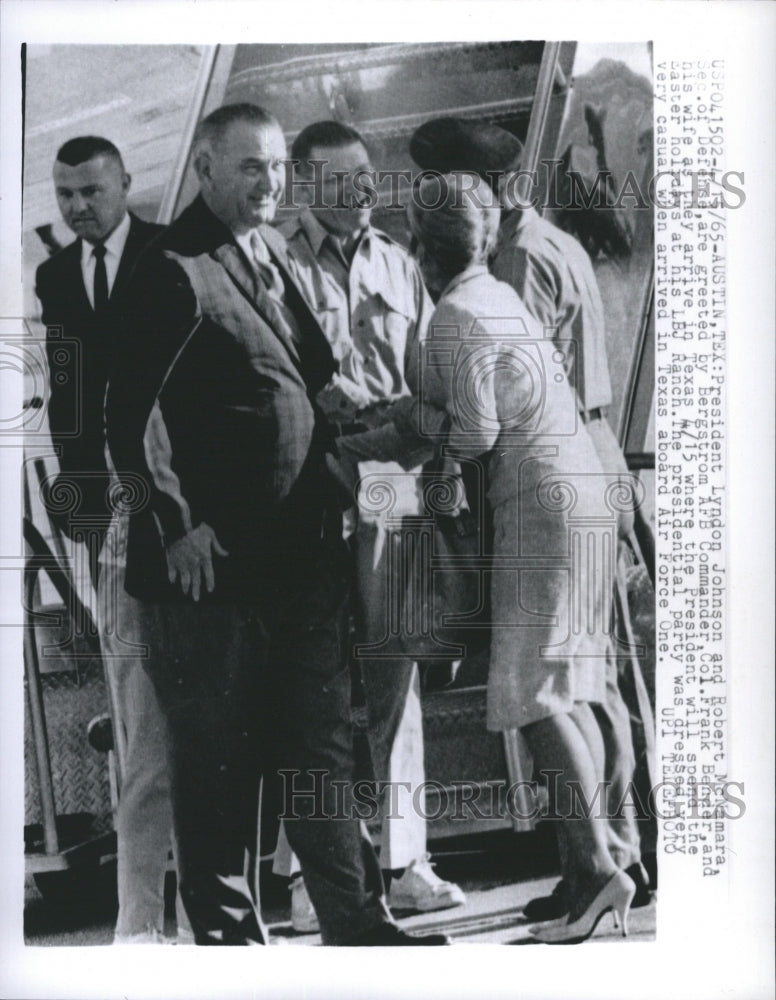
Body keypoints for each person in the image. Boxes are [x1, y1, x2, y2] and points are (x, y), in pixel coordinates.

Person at [104, 102, 449, 946]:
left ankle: (356, 920)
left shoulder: (271, 256)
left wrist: (398, 423)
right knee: (217, 767)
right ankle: (228, 940)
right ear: (206, 171)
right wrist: (175, 526)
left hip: (301, 558)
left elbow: (316, 385)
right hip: (211, 574)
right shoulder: (167, 267)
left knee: (321, 748)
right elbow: (127, 417)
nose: (270, 184)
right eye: (250, 168)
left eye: (277, 168)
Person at [409, 117, 653, 920]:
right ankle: (615, 858)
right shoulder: (544, 257)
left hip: (540, 495)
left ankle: (597, 861)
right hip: (587, 475)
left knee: (540, 689)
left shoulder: (506, 272)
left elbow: (478, 425)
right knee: (585, 681)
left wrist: (427, 464)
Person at [271, 120, 465, 932]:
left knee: (393, 671)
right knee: (312, 683)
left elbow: (426, 373)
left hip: (390, 479)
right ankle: (307, 875)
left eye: (365, 178)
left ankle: (403, 860)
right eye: (340, 180)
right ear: (305, 186)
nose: (359, 192)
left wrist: (442, 472)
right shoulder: (276, 264)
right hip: (311, 486)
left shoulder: (396, 261)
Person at [35, 136, 190, 944]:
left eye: (91, 191)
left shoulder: (176, 256)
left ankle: (222, 909)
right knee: (138, 721)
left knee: (209, 717)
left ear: (126, 185)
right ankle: (140, 920)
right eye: (65, 194)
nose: (76, 207)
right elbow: (66, 402)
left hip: (190, 514)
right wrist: (84, 513)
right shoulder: (57, 277)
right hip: (119, 532)